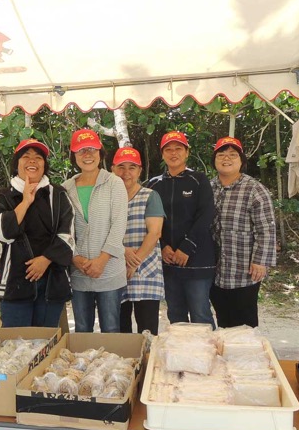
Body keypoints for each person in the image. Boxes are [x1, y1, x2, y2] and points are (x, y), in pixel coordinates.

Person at [0, 138, 75, 327]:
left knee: (45, 344)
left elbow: (69, 235)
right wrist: (25, 201)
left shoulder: (58, 195)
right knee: (14, 343)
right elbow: (2, 232)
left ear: (45, 165)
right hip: (16, 283)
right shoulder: (2, 196)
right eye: (26, 156)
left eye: (38, 157)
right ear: (16, 164)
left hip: (52, 282)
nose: (32, 161)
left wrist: (46, 259)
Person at [147, 131, 217, 329]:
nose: (173, 153)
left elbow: (206, 216)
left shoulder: (199, 180)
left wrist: (186, 247)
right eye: (168, 150)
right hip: (167, 261)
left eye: (178, 148)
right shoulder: (153, 184)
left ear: (187, 153)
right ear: (162, 155)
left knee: (200, 312)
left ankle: (207, 357)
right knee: (175, 313)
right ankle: (182, 357)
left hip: (197, 260)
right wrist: (162, 247)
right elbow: (149, 221)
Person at [62, 129, 128, 333]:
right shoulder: (66, 188)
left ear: (100, 152)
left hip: (108, 269)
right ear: (74, 156)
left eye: (92, 149)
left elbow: (119, 225)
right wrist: (74, 258)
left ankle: (113, 366)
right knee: (82, 329)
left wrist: (102, 260)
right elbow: (63, 229)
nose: (87, 155)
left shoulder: (114, 183)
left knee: (110, 328)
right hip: (79, 270)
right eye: (81, 151)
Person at [209, 136, 277, 328]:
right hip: (215, 269)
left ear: (242, 161)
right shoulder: (208, 187)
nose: (226, 158)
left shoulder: (255, 190)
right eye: (221, 154)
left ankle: (246, 356)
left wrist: (260, 261)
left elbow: (266, 228)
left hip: (244, 268)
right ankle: (226, 356)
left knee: (245, 323)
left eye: (232, 155)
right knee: (223, 319)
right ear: (214, 161)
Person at [111, 147, 165, 335]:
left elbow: (155, 233)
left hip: (145, 270)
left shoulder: (150, 196)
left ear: (140, 171)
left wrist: (134, 262)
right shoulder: (108, 198)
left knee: (148, 330)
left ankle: (148, 364)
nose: (126, 173)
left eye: (132, 167)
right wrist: (123, 251)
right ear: (112, 169)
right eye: (121, 167)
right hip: (116, 267)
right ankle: (125, 365)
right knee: (120, 329)